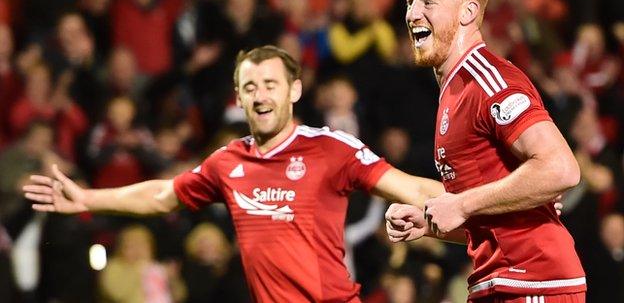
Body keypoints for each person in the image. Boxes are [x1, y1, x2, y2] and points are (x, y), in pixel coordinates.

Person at [22, 45, 445, 302]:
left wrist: (482, 203)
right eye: (250, 87)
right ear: (239, 99)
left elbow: (412, 187)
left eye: (271, 84)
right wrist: (88, 197)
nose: (261, 96)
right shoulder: (227, 162)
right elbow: (161, 196)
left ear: (294, 91)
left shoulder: (331, 148)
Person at [384, 0, 586, 303]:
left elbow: (561, 168)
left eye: (428, 2)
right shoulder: (456, 88)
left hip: (534, 281)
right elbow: (495, 212)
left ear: (468, 13)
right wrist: (429, 223)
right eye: (410, 2)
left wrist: (460, 204)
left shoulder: (487, 80)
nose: (413, 14)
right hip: (501, 282)